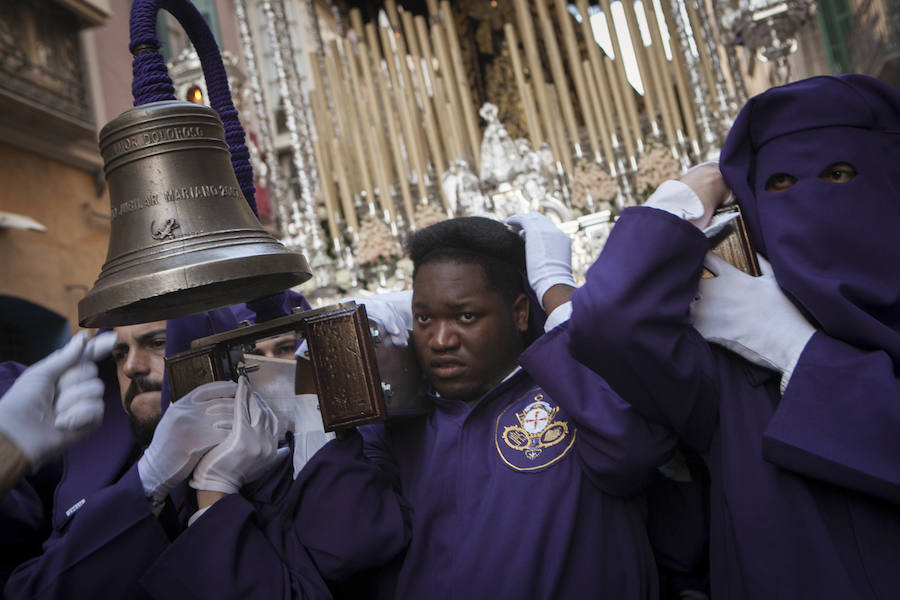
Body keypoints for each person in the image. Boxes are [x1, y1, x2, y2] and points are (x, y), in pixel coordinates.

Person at [567, 74, 900, 598]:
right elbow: (607, 320)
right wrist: (679, 201)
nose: (808, 200)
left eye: (839, 174)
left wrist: (800, 354)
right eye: (779, 184)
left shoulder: (765, 337)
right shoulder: (729, 348)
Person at [290, 216, 677, 598]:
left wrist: (556, 292)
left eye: (466, 316)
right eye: (424, 318)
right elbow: (340, 547)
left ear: (520, 312)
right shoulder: (399, 425)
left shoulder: (569, 391)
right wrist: (311, 392)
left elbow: (635, 445)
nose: (440, 340)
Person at [4, 307, 331, 599]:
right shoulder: (94, 484)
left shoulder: (286, 468)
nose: (131, 366)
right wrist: (147, 482)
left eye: (157, 343)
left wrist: (216, 493)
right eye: (119, 353)